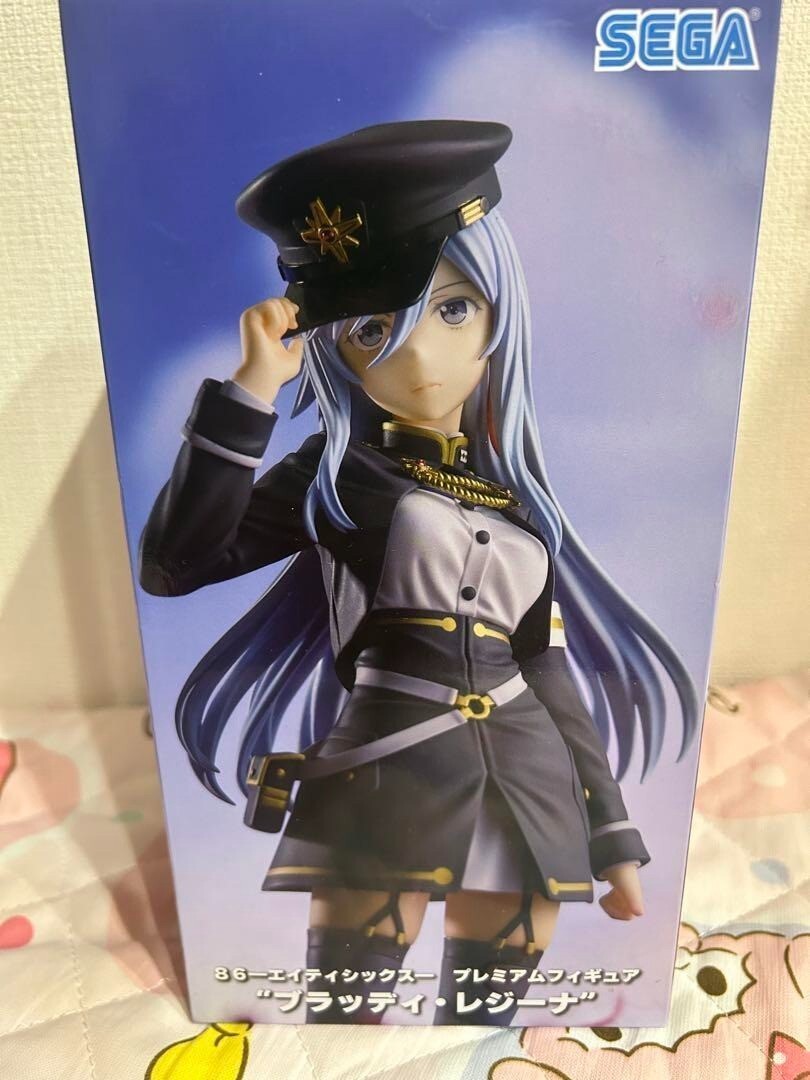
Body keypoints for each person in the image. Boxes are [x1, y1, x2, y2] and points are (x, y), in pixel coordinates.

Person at [139, 119, 698, 1026]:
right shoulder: (338, 474)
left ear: (500, 309)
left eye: (454, 309)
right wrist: (251, 391)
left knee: (482, 1028)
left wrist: (612, 835)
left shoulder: (520, 502)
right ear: (336, 346)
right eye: (373, 329)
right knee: (346, 1017)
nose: (420, 358)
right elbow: (175, 567)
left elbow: (548, 672)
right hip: (383, 775)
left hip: (528, 790)